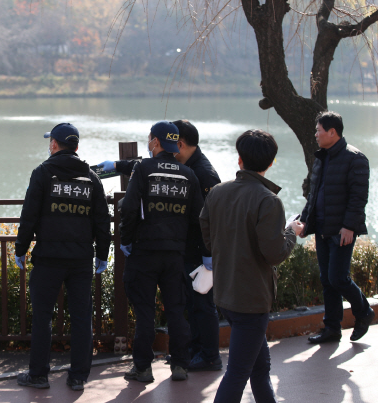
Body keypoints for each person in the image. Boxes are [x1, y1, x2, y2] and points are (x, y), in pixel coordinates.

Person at [199, 129, 302, 403]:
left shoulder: (218, 193)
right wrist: (291, 231)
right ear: (270, 163)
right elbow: (275, 253)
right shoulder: (268, 200)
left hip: (226, 293)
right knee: (238, 373)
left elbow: (208, 239)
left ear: (239, 159)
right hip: (252, 299)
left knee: (259, 367)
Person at [14, 122, 111, 391]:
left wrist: (20, 249)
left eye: (50, 142)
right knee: (82, 318)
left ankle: (38, 375)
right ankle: (78, 376)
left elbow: (29, 216)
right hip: (80, 259)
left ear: (55, 145)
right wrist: (102, 254)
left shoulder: (43, 173)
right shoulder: (91, 178)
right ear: (76, 146)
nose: (50, 145)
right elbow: (103, 221)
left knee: (43, 316)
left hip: (48, 257)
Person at [120, 120, 204, 382]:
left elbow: (130, 208)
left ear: (155, 142)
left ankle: (143, 368)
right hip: (175, 255)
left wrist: (126, 240)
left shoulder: (144, 169)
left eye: (149, 139)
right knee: (176, 311)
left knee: (145, 311)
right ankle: (180, 365)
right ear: (175, 143)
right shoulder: (188, 174)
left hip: (145, 253)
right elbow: (198, 218)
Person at [299, 112, 375, 344]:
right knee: (326, 279)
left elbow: (358, 197)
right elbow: (314, 195)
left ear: (333, 132)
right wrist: (305, 221)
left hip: (342, 230)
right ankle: (332, 328)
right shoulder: (321, 158)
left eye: (318, 130)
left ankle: (364, 311)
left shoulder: (356, 158)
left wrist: (349, 226)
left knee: (338, 278)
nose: (316, 134)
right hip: (322, 227)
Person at [172, 119, 222, 371]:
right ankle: (194, 350)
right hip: (189, 249)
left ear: (179, 143)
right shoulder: (185, 166)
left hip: (203, 252)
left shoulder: (203, 173)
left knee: (203, 304)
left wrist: (208, 254)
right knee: (191, 304)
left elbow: (213, 218)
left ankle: (211, 355)